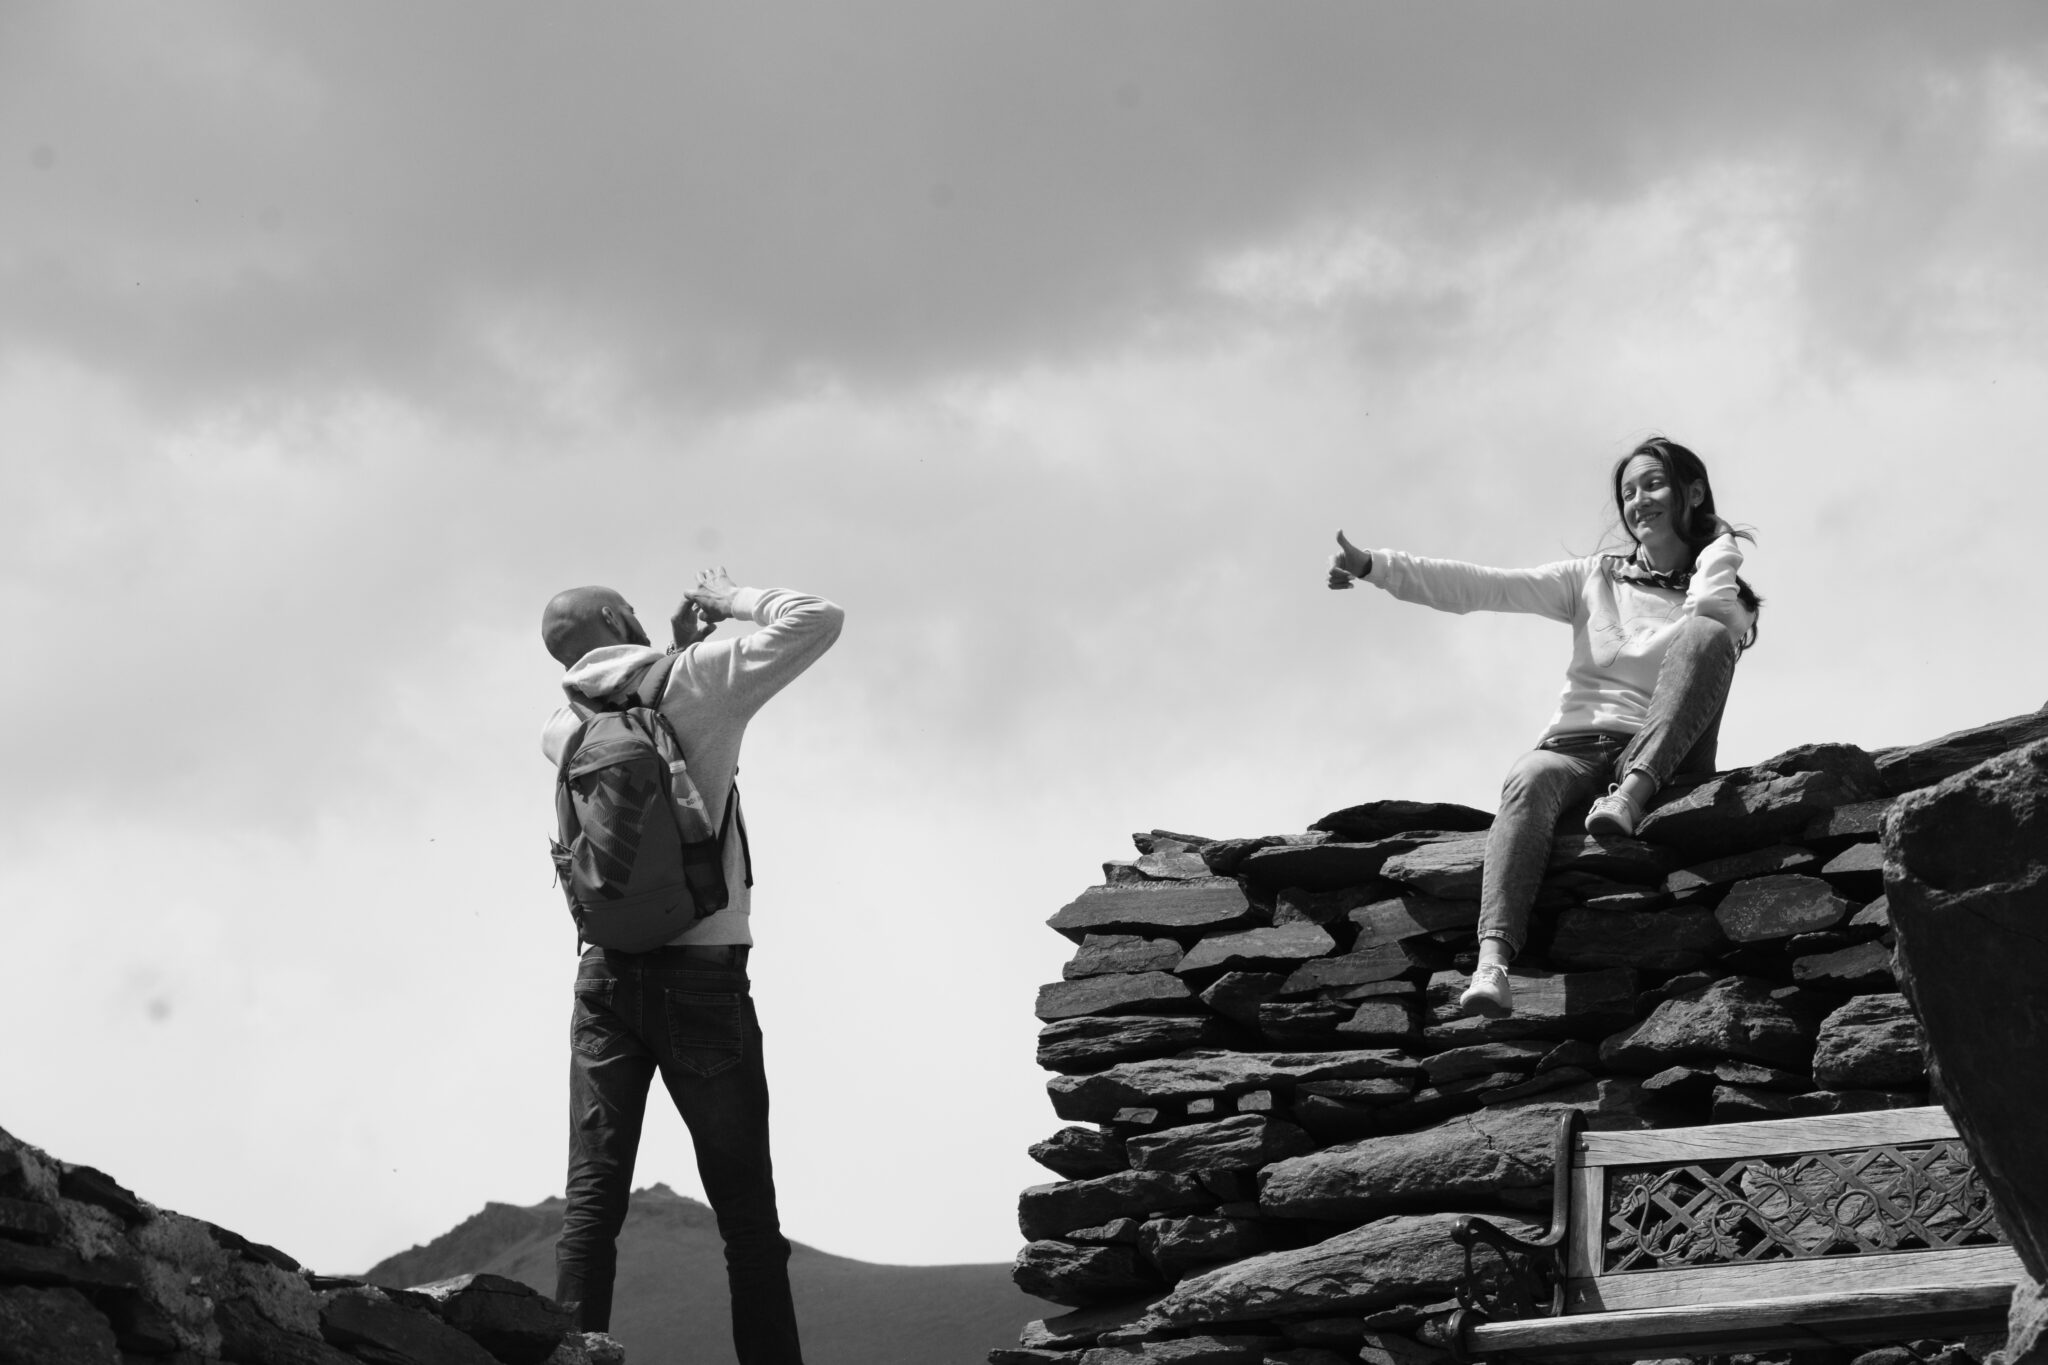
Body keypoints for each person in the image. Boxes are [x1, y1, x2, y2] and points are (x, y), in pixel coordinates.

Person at [1326, 437, 1760, 1018]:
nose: (1639, 502)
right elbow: (1486, 586)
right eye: (1628, 492)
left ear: (1694, 492)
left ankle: (1631, 794)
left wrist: (1720, 545)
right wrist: (1374, 566)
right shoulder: (1593, 578)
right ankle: (1492, 965)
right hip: (1575, 748)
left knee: (1707, 635)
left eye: (1654, 485)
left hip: (1664, 757)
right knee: (1529, 776)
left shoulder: (1726, 594)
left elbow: (1710, 618)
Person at [538, 568, 843, 1363]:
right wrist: (727, 600)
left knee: (591, 1207)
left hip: (604, 978)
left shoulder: (561, 725)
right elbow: (817, 616)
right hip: (703, 976)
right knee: (747, 1218)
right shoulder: (701, 680)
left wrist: (673, 652)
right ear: (618, 617)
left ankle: (569, 1354)